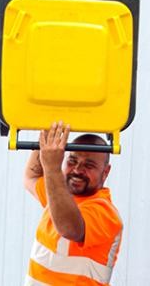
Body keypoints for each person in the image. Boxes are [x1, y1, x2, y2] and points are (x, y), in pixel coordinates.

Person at [23, 121, 123, 285]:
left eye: (89, 165)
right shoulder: (58, 195)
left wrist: (52, 167)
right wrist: (46, 138)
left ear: (106, 172)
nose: (77, 170)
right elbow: (31, 178)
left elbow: (69, 229)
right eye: (72, 161)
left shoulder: (106, 213)